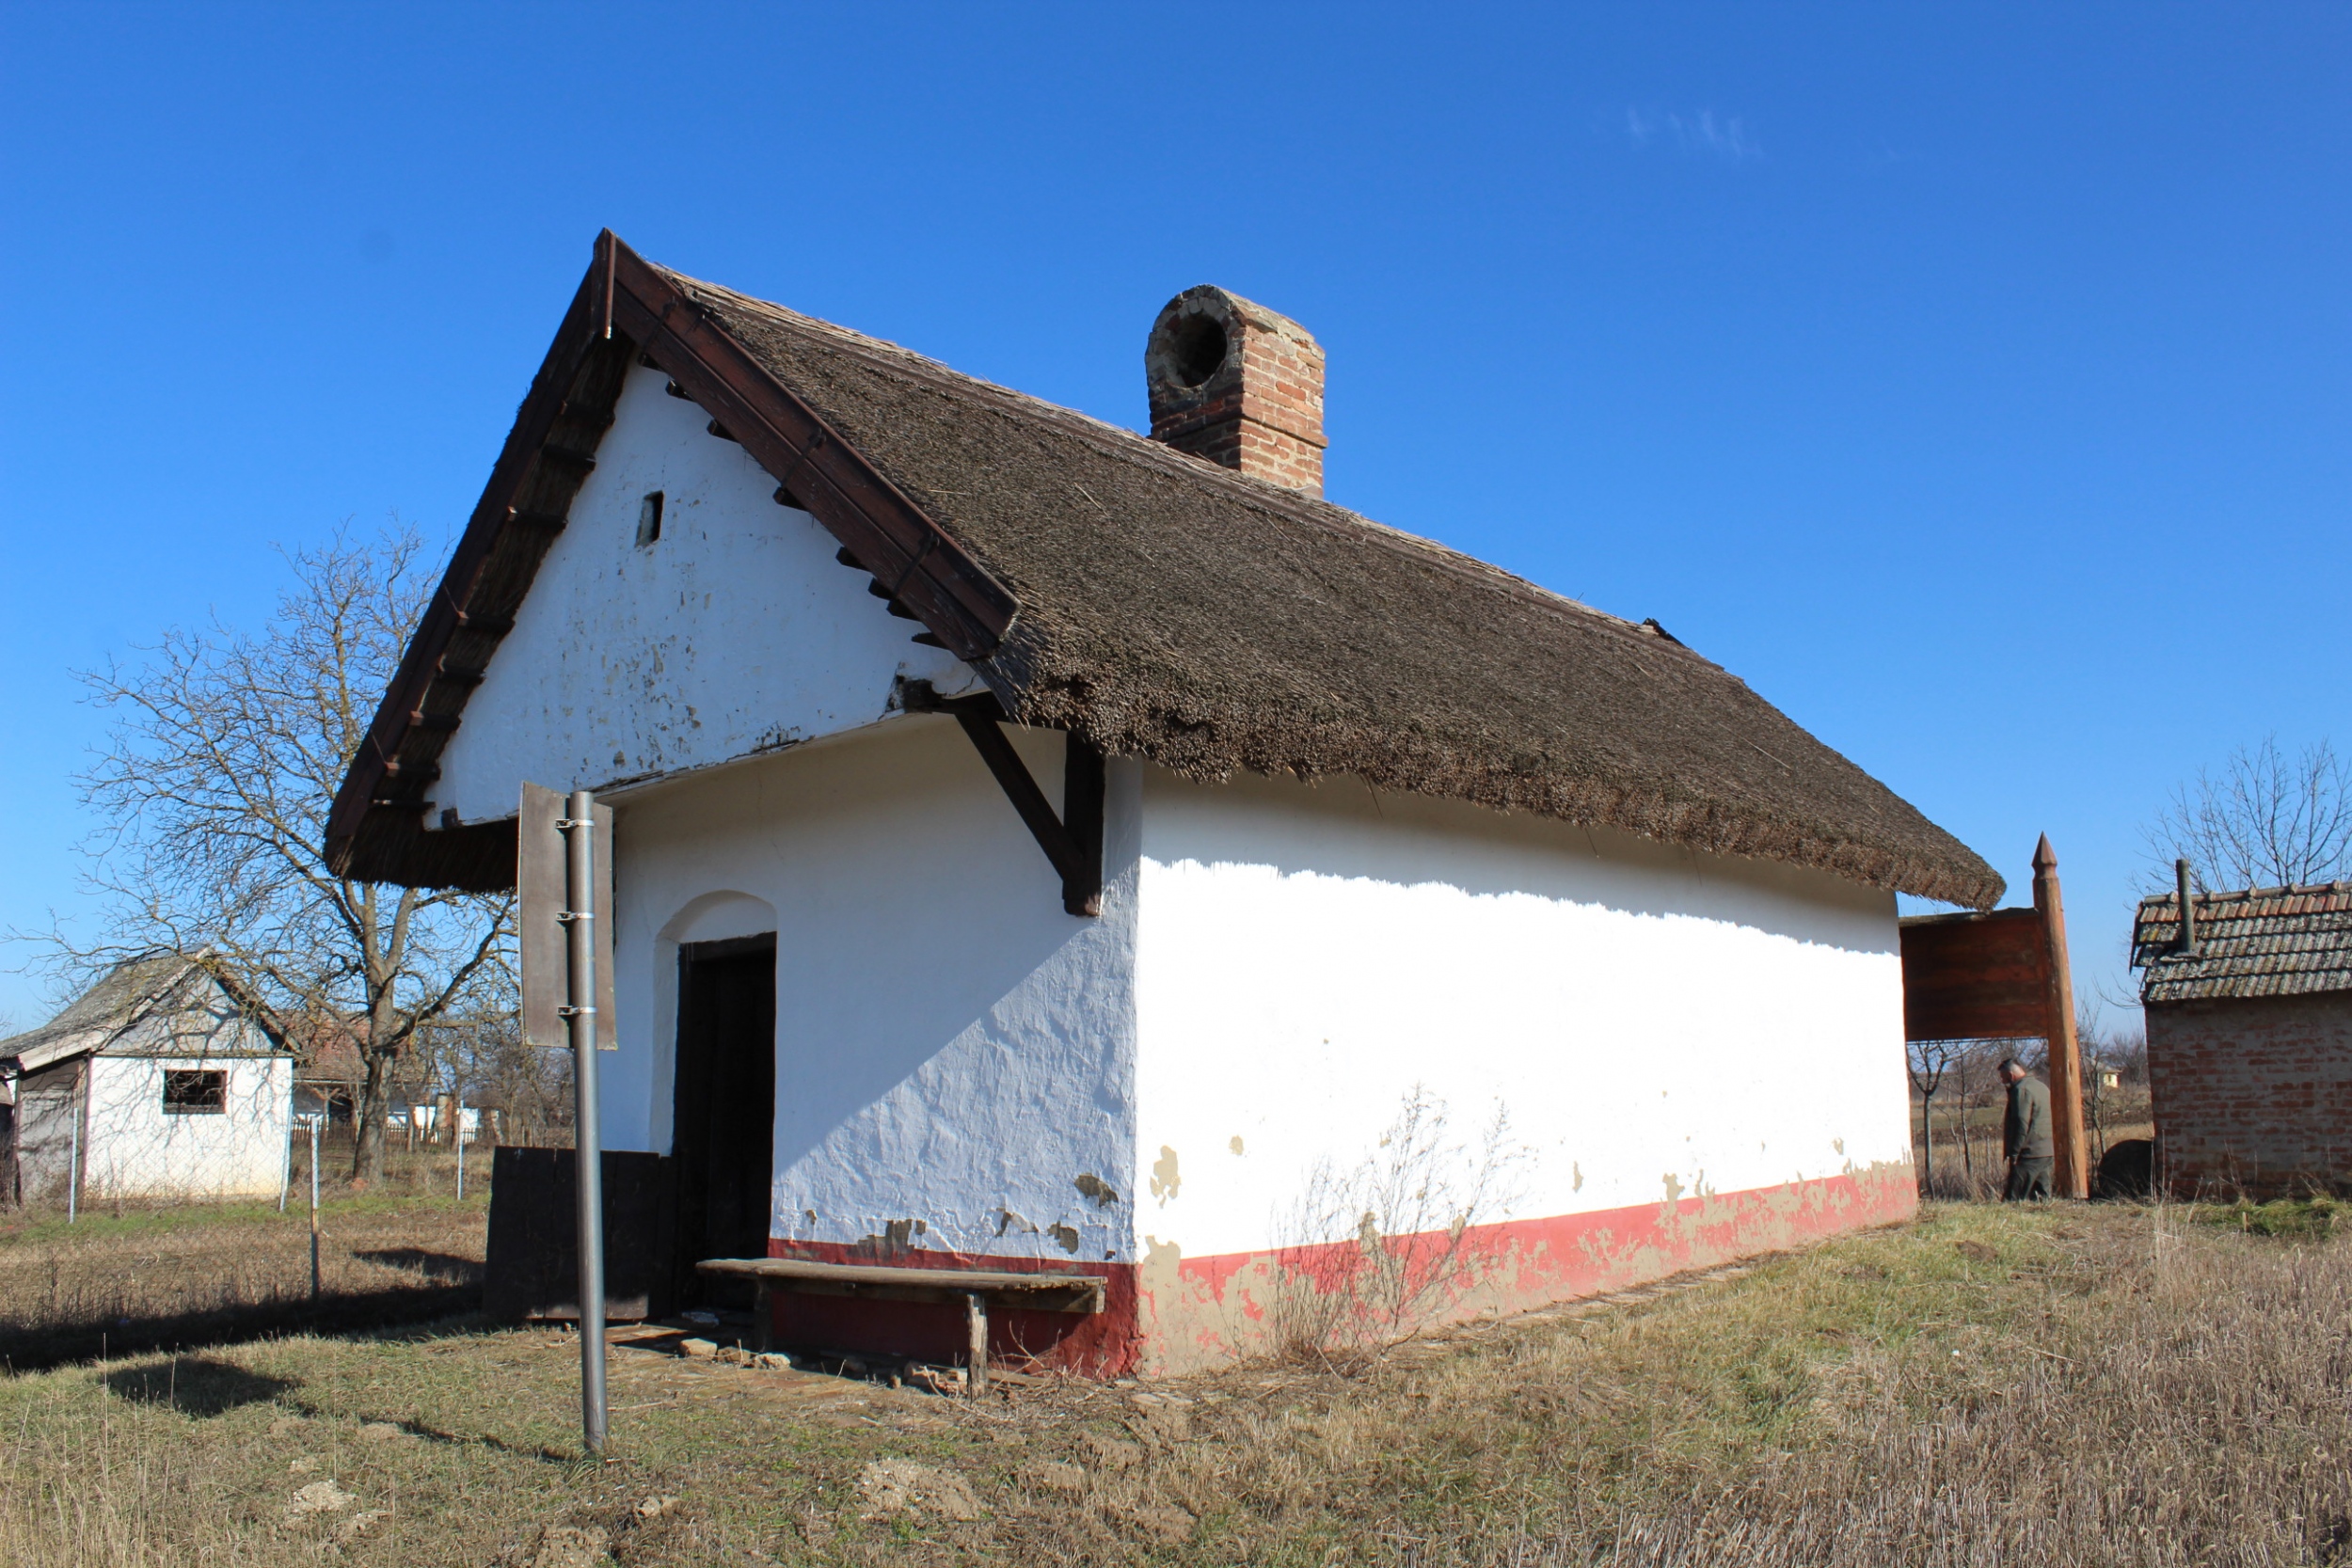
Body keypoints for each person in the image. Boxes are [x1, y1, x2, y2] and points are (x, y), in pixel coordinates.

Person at [1999, 1056, 2054, 1201]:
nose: (2002, 1081)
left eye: (2003, 1077)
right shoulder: (2041, 1086)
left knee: (2012, 1198)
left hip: (2029, 1153)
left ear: (2011, 1075)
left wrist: (2015, 1151)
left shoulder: (2020, 1089)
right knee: (2042, 1198)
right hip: (2047, 1150)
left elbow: (2021, 1123)